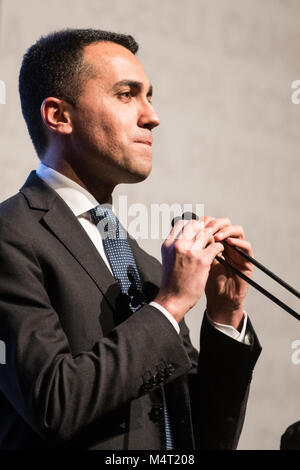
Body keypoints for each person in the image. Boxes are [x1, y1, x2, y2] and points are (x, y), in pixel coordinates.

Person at [0, 28, 261, 450]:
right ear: (58, 116)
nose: (152, 116)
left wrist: (224, 316)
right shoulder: (11, 234)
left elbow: (203, 439)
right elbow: (53, 404)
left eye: (150, 96)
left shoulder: (140, 262)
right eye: (126, 94)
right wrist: (171, 306)